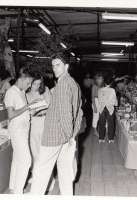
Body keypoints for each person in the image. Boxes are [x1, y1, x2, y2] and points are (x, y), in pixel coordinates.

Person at [29, 53, 83, 195]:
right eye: (53, 66)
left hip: (56, 135)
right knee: (64, 170)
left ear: (66, 66)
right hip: (66, 134)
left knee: (41, 170)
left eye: (58, 65)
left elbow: (66, 113)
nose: (55, 69)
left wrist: (68, 136)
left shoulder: (63, 84)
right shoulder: (73, 83)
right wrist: (72, 133)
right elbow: (79, 110)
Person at [4, 67, 36, 194]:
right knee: (26, 160)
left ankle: (13, 188)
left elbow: (21, 110)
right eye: (28, 83)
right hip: (17, 129)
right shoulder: (12, 92)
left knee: (18, 159)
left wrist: (31, 110)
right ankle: (18, 193)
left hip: (23, 129)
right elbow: (10, 114)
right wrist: (27, 106)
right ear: (20, 79)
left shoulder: (21, 92)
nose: (29, 86)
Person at [26, 72, 55, 191]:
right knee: (34, 152)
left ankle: (50, 179)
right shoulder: (26, 94)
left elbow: (52, 106)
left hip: (44, 122)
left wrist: (41, 109)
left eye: (39, 84)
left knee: (45, 152)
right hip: (33, 123)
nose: (37, 86)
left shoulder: (45, 90)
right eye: (34, 84)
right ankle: (36, 175)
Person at [98, 76, 118, 143]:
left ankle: (101, 138)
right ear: (111, 83)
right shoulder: (112, 90)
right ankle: (111, 139)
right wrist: (116, 104)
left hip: (102, 108)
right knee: (111, 123)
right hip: (110, 107)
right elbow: (114, 100)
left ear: (104, 82)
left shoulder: (100, 90)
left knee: (101, 123)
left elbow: (99, 100)